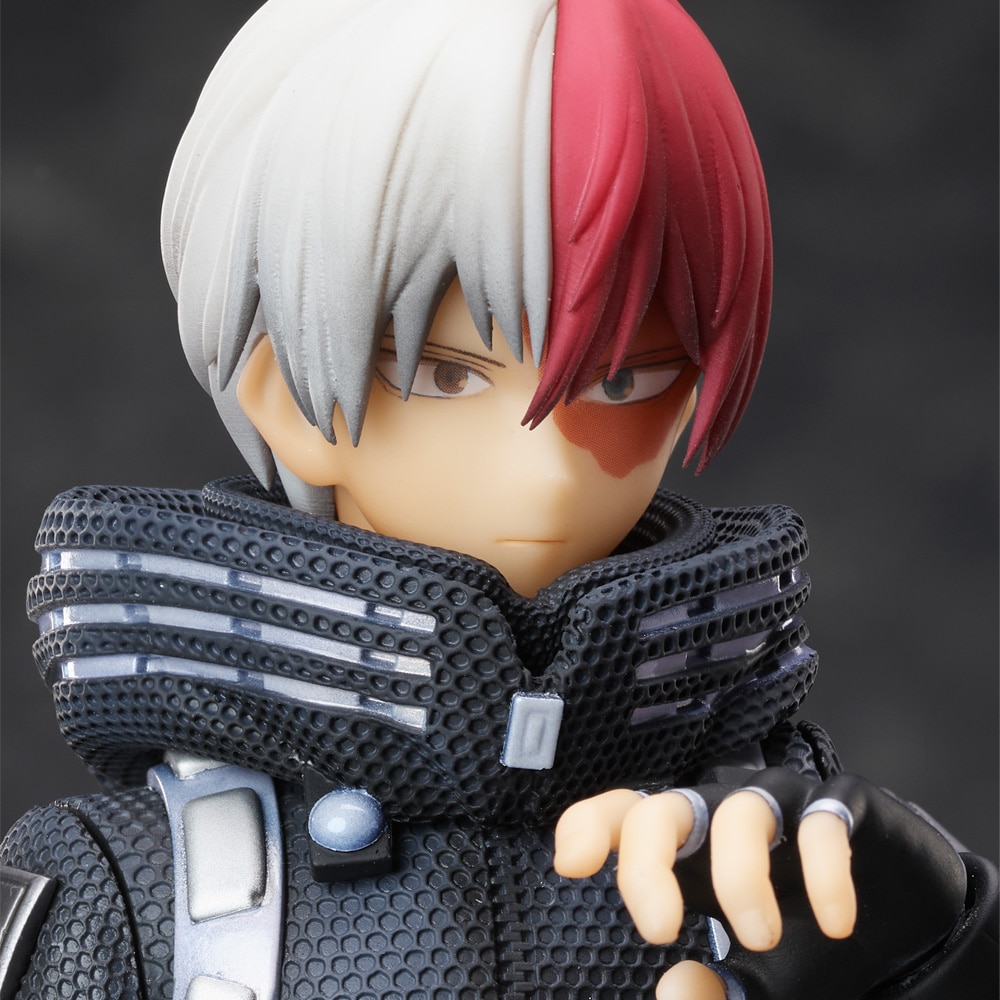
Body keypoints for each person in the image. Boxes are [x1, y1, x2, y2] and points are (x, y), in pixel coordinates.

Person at [1, 1, 995, 997]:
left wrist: (943, 960)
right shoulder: (129, 893)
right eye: (447, 376)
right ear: (287, 399)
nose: (549, 469)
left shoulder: (791, 859)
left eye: (622, 381)